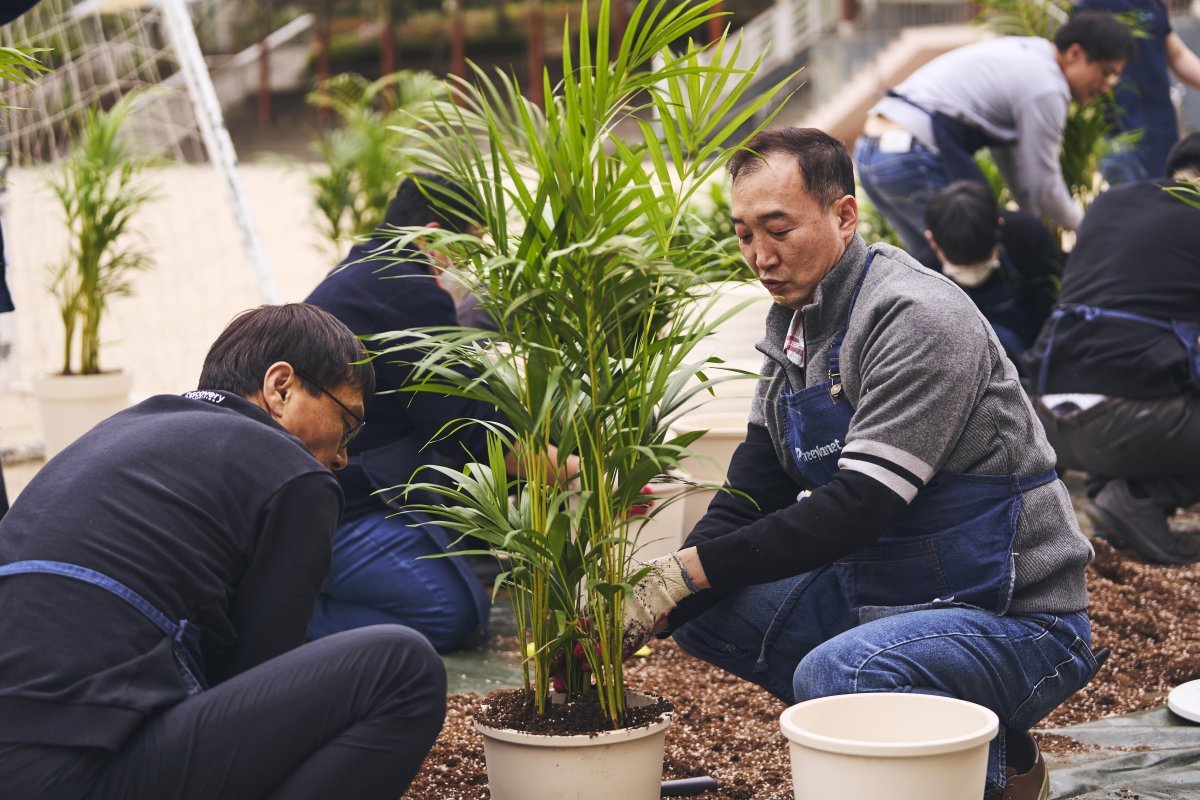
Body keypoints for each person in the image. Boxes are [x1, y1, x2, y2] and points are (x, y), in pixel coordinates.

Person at [620, 128, 1100, 800]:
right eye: (743, 233)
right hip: (890, 590)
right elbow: (751, 494)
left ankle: (983, 772)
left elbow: (859, 505)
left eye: (778, 228)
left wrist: (688, 571)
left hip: (1014, 615)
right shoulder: (793, 328)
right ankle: (973, 744)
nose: (759, 256)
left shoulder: (915, 317)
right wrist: (662, 600)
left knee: (841, 678)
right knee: (708, 611)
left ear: (845, 215)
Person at [0, 303, 446, 799]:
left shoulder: (113, 434)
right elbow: (261, 684)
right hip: (78, 774)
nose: (343, 456)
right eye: (349, 424)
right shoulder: (291, 470)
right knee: (402, 669)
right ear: (282, 388)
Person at [304, 174, 500, 653]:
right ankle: (286, 621)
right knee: (451, 614)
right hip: (344, 508)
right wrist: (572, 469)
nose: (471, 265)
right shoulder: (407, 286)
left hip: (331, 495)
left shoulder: (362, 269)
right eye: (470, 247)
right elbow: (466, 424)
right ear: (432, 238)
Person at [1024, 132, 1200, 565]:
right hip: (1126, 425)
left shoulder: (1110, 204)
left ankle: (1114, 496)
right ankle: (1138, 495)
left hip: (1048, 419)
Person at [855, 11, 1134, 268]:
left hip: (875, 153)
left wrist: (1032, 222)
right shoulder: (1047, 87)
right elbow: (1044, 185)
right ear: (1075, 53)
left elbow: (1015, 165)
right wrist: (1087, 228)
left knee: (933, 269)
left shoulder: (1028, 53)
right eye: (1105, 73)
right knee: (972, 259)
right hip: (912, 156)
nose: (1105, 88)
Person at [923, 180, 1063, 369]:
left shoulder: (1029, 237)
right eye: (963, 266)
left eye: (980, 263)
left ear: (1000, 225)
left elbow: (1053, 309)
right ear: (932, 241)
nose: (973, 271)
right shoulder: (923, 275)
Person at [1074, 0, 1200, 183]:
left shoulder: (1152, 5)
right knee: (1129, 198)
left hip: (1158, 123)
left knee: (1164, 192)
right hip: (1116, 127)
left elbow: (1176, 54)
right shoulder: (1092, 5)